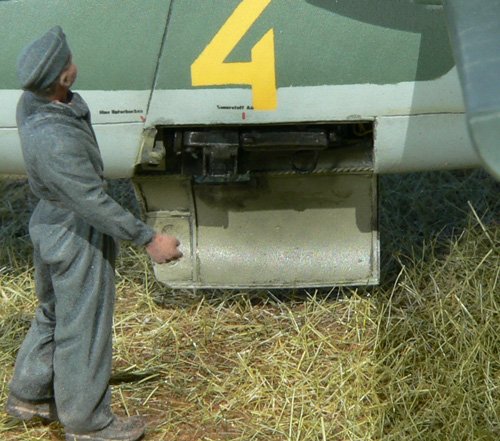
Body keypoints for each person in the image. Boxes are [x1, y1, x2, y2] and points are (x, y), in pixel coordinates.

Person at [5, 26, 182, 441]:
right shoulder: (54, 139)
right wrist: (148, 238)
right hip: (74, 233)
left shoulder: (34, 101)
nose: (74, 62)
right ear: (62, 76)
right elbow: (92, 202)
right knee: (84, 327)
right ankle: (88, 422)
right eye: (68, 60)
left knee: (54, 311)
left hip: (50, 222)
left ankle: (30, 394)